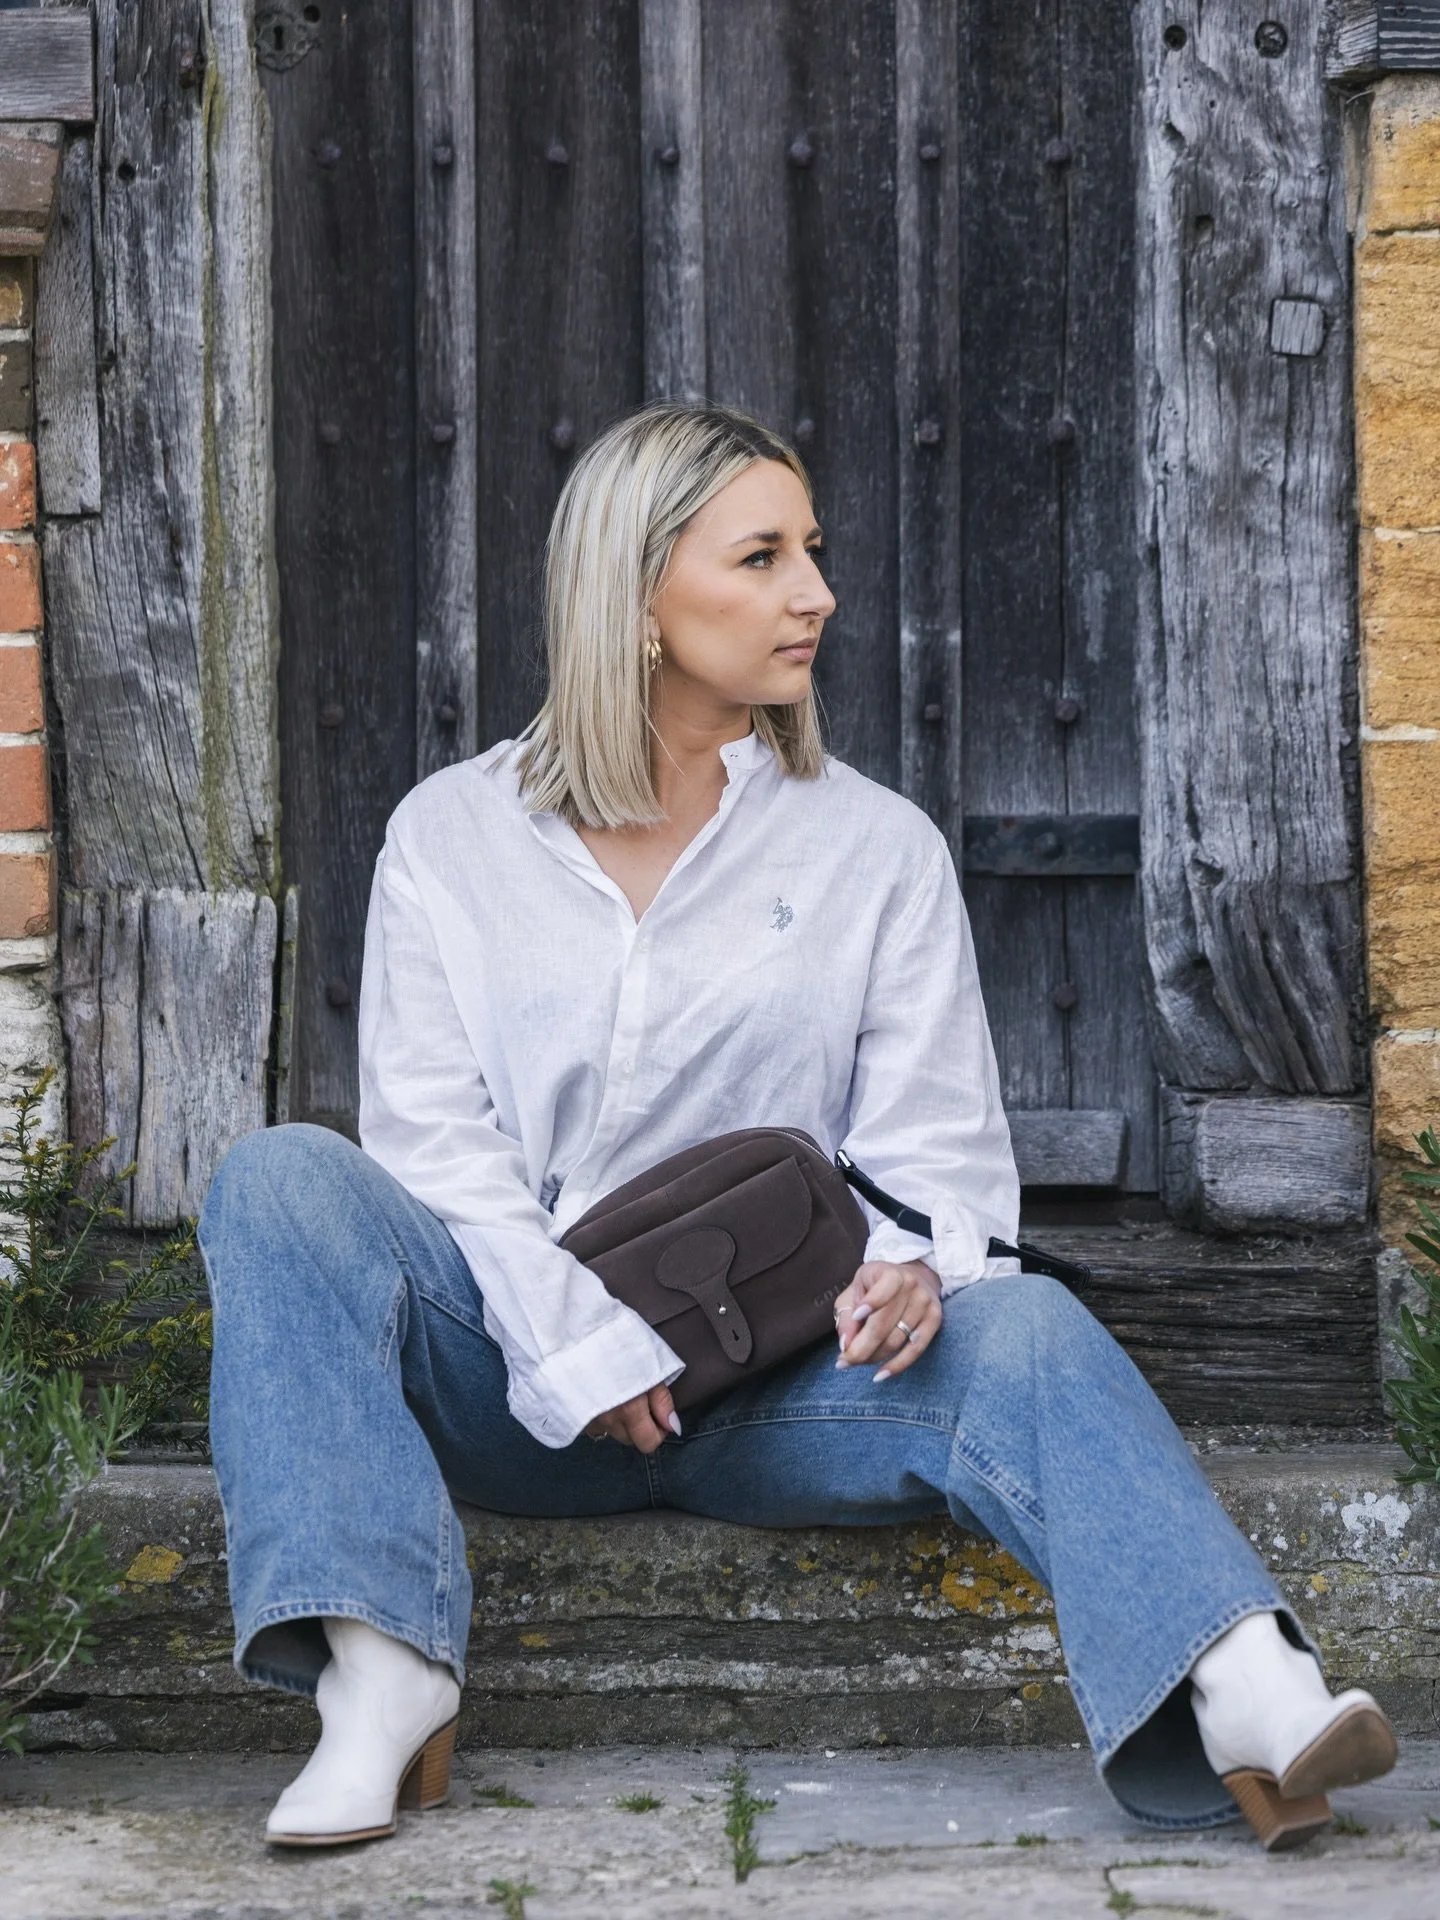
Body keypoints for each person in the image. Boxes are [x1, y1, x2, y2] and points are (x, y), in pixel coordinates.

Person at [202, 403, 1396, 1854]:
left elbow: (936, 1151)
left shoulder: (872, 846)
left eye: (811, 552)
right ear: (636, 596)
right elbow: (436, 1151)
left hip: (778, 1391)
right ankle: (378, 1674)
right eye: (761, 557)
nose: (815, 593)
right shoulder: (452, 838)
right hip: (525, 1387)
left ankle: (1253, 1688)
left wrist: (913, 1265)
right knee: (281, 1179)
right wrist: (587, 1351)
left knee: (1024, 1329)